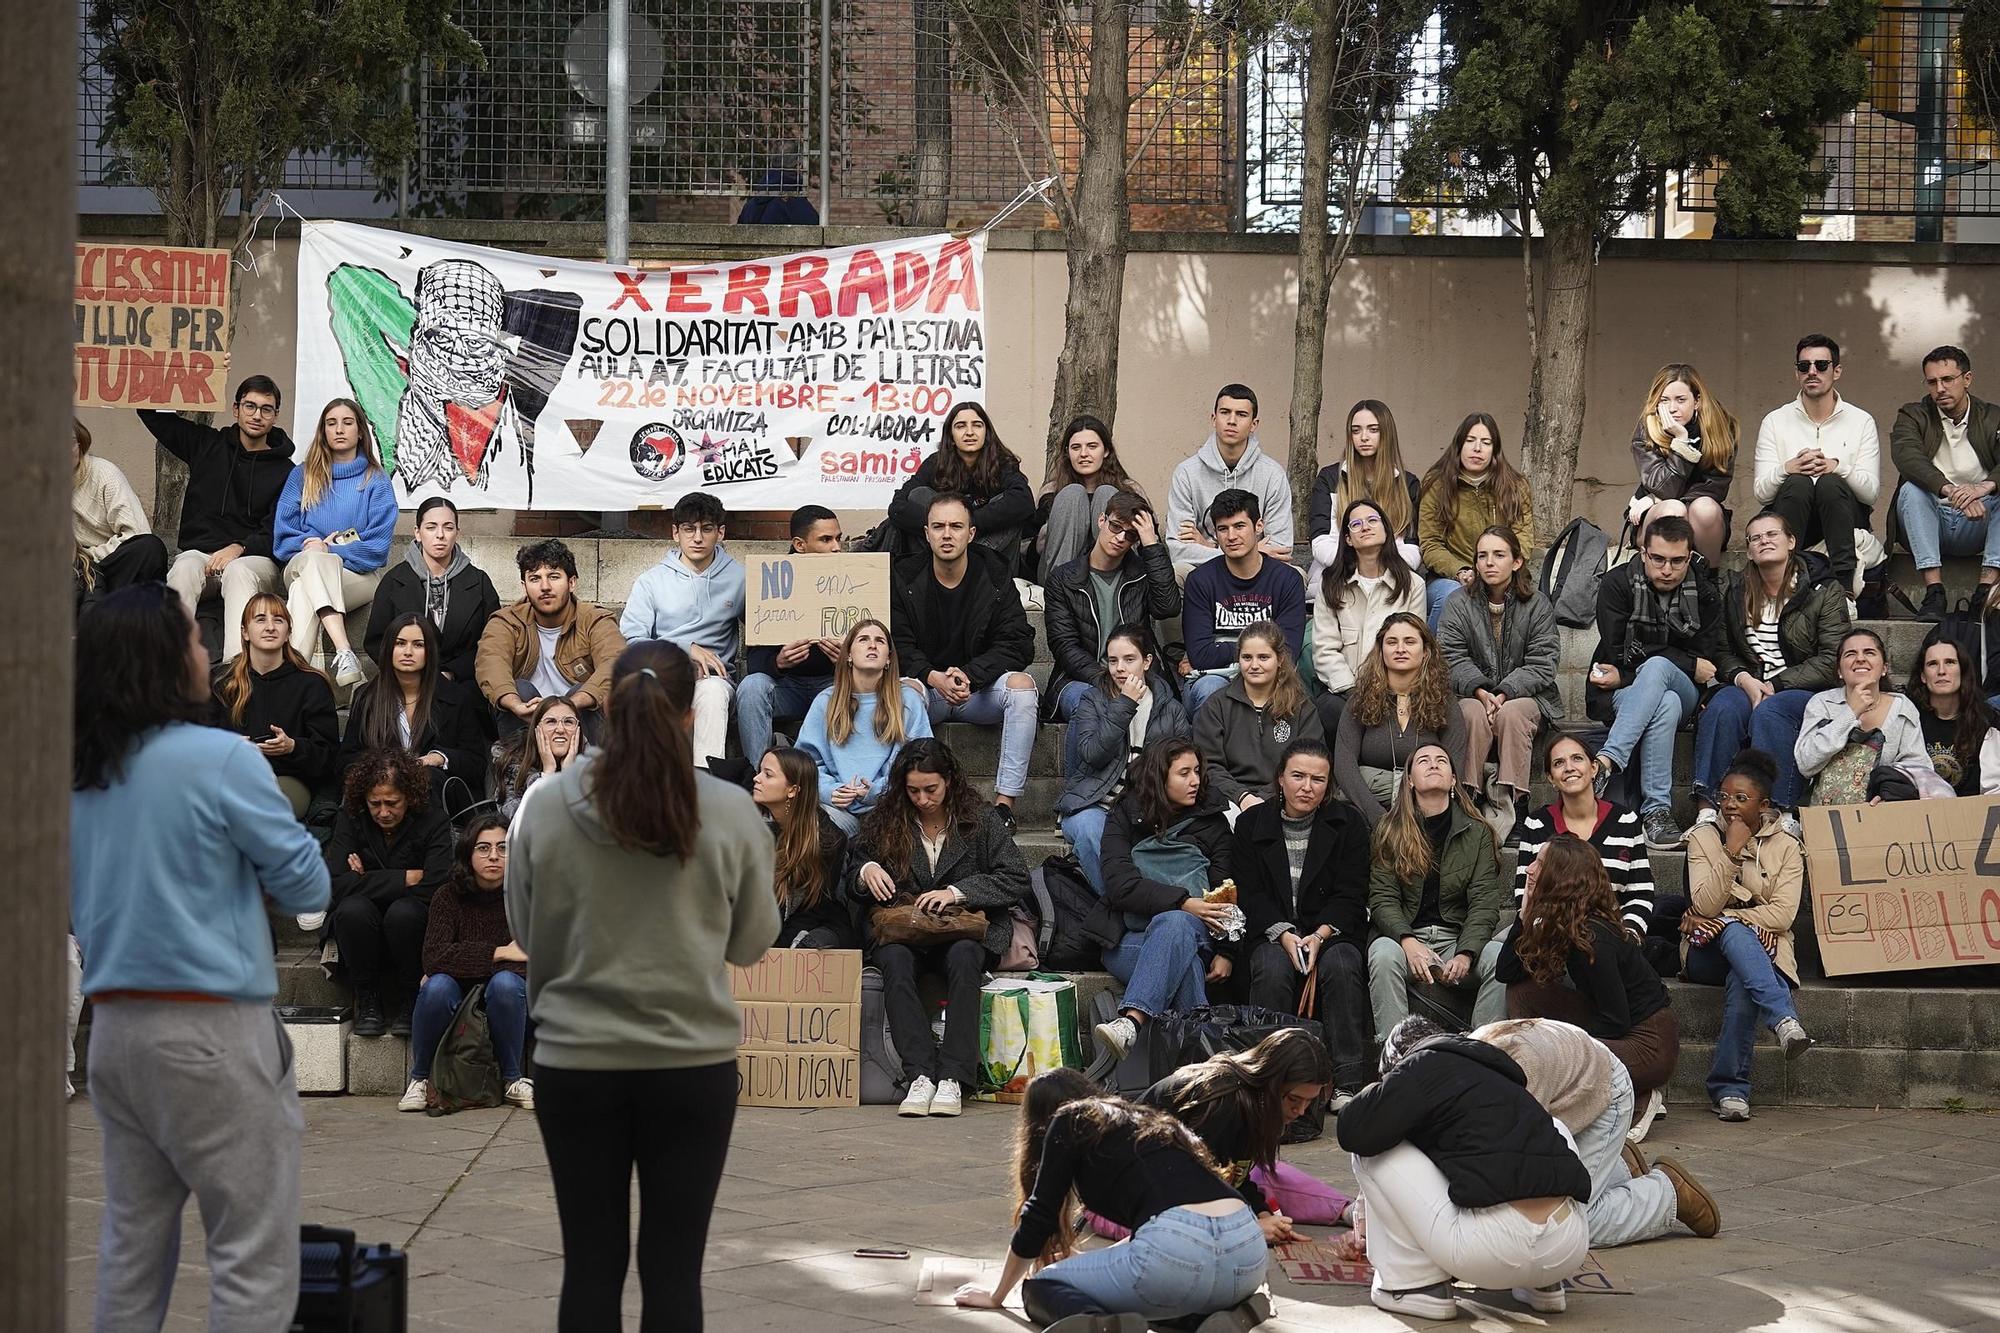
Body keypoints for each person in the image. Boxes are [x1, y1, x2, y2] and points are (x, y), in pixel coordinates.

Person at [72, 584, 329, 1330]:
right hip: (211, 1028)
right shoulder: (221, 758)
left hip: (116, 1032)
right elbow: (306, 881)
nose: (203, 652)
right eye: (192, 638)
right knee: (252, 1258)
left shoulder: (83, 771)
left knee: (129, 1252)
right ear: (162, 658)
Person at [505, 640, 777, 1330]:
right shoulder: (732, 810)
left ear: (606, 711)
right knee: (674, 1270)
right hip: (690, 1065)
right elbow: (751, 943)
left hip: (575, 1061)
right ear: (691, 714)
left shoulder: (545, 804)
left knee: (590, 1266)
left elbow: (527, 930)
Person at [953, 1067, 1272, 1329]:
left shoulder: (1069, 1119)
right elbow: (1169, 1224)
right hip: (1247, 1250)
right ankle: (1212, 1318)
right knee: (1175, 1281)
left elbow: (1038, 1216)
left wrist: (997, 1296)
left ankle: (1106, 1326)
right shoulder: (1148, 1120)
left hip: (1177, 1255)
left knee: (1041, 1286)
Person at [1336, 1017, 1590, 1320]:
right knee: (1555, 1128)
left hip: (1492, 1252)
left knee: (1371, 1147)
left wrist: (1381, 1089)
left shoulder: (1421, 1064)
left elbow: (1354, 1129)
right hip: (1568, 1249)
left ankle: (1414, 1285)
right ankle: (1543, 1285)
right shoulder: (1496, 1073)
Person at [854, 739, 1030, 1117]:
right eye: (913, 790)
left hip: (962, 928)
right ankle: (920, 1074)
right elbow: (854, 864)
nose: (922, 799)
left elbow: (1016, 878)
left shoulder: (981, 820)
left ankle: (953, 1076)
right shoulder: (887, 820)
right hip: (905, 930)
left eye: (931, 789)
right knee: (894, 961)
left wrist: (957, 892)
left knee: (966, 956)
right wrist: (866, 871)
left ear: (949, 781)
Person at [1471, 1017, 1719, 1249]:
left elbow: (1516, 1169)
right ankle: (1619, 1168)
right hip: (1574, 1086)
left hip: (1605, 1092)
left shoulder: (1516, 1077)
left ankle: (1667, 1194)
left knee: (1569, 1224)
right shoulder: (1460, 1065)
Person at [1495, 836, 1682, 1137]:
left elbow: (1616, 1020)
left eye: (1540, 863)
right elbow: (1507, 973)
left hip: (1648, 1044)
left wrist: (1562, 1043)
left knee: (1551, 1053)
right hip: (1616, 1028)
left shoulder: (1593, 937)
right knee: (1524, 992)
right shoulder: (1564, 921)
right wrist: (1525, 916)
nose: (1529, 870)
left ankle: (1642, 1095)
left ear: (1562, 876)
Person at [1234, 740, 1374, 1100]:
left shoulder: (1349, 824)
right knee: (1270, 967)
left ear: (1329, 785)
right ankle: (1271, 1078)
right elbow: (1249, 892)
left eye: (1317, 779)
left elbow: (1352, 893)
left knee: (1343, 965)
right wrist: (1283, 934)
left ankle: (1346, 1081)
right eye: (1297, 776)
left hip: (1332, 931)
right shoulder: (1251, 824)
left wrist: (1319, 936)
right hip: (1271, 930)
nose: (1306, 787)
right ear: (1280, 778)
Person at [890, 493, 1038, 829]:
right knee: (902, 695)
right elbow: (898, 643)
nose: (947, 534)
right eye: (938, 526)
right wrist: (933, 676)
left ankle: (1003, 807)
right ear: (926, 533)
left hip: (978, 690)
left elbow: (1017, 642)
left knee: (1023, 688)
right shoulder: (904, 576)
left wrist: (970, 674)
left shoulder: (996, 573)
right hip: (928, 690)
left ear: (971, 533)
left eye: (956, 526)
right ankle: (916, 800)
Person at [1682, 749, 1814, 1122]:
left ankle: (1731, 1093)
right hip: (1703, 951)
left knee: (1743, 979)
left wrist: (1728, 918)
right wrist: (1732, 851)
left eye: (1741, 798)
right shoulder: (1704, 840)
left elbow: (1784, 915)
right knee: (1736, 933)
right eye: (1724, 797)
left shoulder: (1788, 848)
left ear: (1765, 804)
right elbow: (1704, 905)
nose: (1729, 806)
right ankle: (1784, 1020)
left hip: (1766, 950)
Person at [1091, 739, 1238, 1062]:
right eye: (1184, 773)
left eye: (1197, 771)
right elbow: (1119, 884)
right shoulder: (1125, 814)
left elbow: (1227, 892)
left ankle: (1131, 1021)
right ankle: (1206, 1064)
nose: (1195, 780)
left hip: (1199, 932)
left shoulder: (1213, 821)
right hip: (1128, 939)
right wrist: (1182, 901)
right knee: (1183, 960)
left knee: (1176, 925)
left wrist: (1227, 951)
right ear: (1159, 776)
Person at [1695, 510, 1847, 816]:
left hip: (1806, 689)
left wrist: (1775, 685)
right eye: (1755, 537)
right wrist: (1743, 679)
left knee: (1771, 711)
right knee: (1722, 706)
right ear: (1749, 550)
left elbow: (1833, 658)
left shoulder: (1823, 589)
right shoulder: (1737, 590)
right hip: (1751, 683)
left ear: (1791, 541)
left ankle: (1777, 810)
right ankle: (1707, 808)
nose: (1764, 541)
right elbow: (1722, 651)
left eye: (1772, 534)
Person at [1587, 514, 1724, 850]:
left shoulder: (1704, 593)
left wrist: (1665, 662)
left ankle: (1605, 762)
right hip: (1622, 690)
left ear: (1690, 557)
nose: (1667, 569)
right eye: (1659, 559)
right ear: (1644, 552)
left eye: (1677, 561)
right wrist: (1685, 661)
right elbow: (1617, 650)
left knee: (1662, 670)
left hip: (1682, 689)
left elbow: (1707, 660)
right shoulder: (1617, 584)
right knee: (1665, 702)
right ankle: (1657, 814)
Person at [149, 373, 297, 661]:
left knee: (238, 572)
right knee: (183, 569)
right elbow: (153, 416)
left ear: (275, 416)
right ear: (236, 409)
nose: (257, 415)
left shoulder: (286, 471)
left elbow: (277, 531)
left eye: (266, 409)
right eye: (250, 406)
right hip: (201, 556)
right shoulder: (208, 445)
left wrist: (238, 548)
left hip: (253, 560)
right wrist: (198, 370)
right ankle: (169, 664)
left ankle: (236, 668)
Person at [1365, 744, 1506, 1041]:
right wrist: (1408, 941)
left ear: (1453, 780)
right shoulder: (1389, 830)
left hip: (1455, 941)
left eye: (1442, 760)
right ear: (1411, 780)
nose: (1434, 764)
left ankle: (1482, 1049)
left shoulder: (1477, 832)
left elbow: (1484, 902)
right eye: (1424, 761)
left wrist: (1467, 953)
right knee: (1381, 954)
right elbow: (1382, 898)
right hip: (1404, 940)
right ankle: (1396, 1056)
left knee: (1499, 956)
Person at [1142, 1028, 1337, 1241]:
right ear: (1272, 1082)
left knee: (1273, 1176)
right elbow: (1196, 1186)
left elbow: (1235, 1174)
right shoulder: (1224, 1102)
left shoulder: (1254, 1102)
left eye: (1309, 1102)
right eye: (1294, 1099)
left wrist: (1263, 1213)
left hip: (1179, 1181)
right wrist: (1250, 1228)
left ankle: (1348, 1210)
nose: (1300, 1111)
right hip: (1130, 1191)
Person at [399, 814, 533, 1113]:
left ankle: (512, 1079)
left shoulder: (526, 896)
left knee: (507, 984)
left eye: (503, 847)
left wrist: (462, 958)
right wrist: (499, 953)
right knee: (436, 987)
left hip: (509, 1000)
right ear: (468, 853)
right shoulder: (448, 896)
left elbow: (530, 961)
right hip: (456, 998)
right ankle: (420, 1080)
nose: (494, 857)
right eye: (483, 848)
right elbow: (434, 957)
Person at [1435, 526, 1561, 828]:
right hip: (1471, 695)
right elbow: (1449, 656)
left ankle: (1515, 803)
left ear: (1516, 562)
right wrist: (1480, 691)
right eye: (1482, 556)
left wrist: (1504, 692)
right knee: (1471, 713)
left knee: (1512, 715)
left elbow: (1543, 662)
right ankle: (1468, 797)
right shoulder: (1458, 603)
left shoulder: (1538, 604)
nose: (1489, 562)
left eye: (1498, 555)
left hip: (1528, 698)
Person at [326, 748, 454, 1039]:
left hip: (411, 924)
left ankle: (410, 998)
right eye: (375, 804)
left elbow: (437, 884)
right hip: (362, 925)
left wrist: (365, 878)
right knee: (351, 910)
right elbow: (335, 884)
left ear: (408, 796)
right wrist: (405, 877)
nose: (383, 812)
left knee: (404, 912)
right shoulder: (352, 817)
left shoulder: (433, 820)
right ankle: (368, 997)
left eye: (392, 803)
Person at [272, 397, 398, 687]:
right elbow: (283, 536)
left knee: (306, 591)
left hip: (357, 577)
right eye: (331, 423)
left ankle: (288, 682)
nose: (339, 429)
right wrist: (314, 545)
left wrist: (331, 549)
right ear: (323, 431)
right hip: (301, 566)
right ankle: (344, 650)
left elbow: (378, 548)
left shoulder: (376, 481)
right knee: (314, 562)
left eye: (347, 422)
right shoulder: (302, 475)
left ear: (360, 432)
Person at [1055, 625, 1192, 892]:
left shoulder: (1171, 708)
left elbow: (1182, 763)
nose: (1119, 668)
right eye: (1113, 660)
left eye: (1129, 659)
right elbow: (1093, 754)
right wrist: (1125, 705)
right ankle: (1118, 902)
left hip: (1146, 807)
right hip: (1095, 804)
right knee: (1091, 831)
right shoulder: (1092, 701)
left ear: (1147, 662)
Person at [620, 491, 745, 769]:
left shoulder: (741, 578)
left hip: (714, 680)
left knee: (711, 693)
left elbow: (766, 623)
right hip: (662, 674)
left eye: (707, 529)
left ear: (720, 532)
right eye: (689, 529)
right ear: (676, 533)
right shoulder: (651, 581)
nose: (697, 538)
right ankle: (648, 785)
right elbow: (634, 639)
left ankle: (706, 786)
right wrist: (685, 649)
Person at [1753, 333, 1881, 594]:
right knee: (1798, 483)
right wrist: (1786, 469)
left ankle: (1843, 587)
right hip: (1792, 516)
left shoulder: (1861, 420)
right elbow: (1761, 493)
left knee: (1829, 483)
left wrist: (1838, 467)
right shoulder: (1775, 420)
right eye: (1804, 366)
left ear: (1837, 371)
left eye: (1821, 365)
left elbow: (1870, 494)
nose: (1812, 372)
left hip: (1842, 518)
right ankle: (1787, 580)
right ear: (1796, 373)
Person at [1043, 490, 1181, 720]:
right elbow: (1065, 646)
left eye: (1130, 535)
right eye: (1115, 526)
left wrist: (1151, 544)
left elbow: (1167, 607)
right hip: (1081, 679)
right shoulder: (1063, 579)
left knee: (1161, 709)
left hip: (1138, 676)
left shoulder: (1141, 575)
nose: (1120, 538)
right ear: (1101, 520)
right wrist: (1106, 681)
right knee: (1087, 705)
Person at [1509, 732, 1656, 944]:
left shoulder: (1625, 820)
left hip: (1613, 940)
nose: (1569, 767)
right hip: (1552, 941)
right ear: (1551, 778)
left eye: (1577, 758)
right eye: (1559, 763)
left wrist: (1628, 936)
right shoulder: (1536, 824)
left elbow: (1640, 891)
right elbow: (1525, 894)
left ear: (1594, 768)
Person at [476, 538, 626, 738]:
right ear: (524, 586)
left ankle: (590, 767)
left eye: (554, 577)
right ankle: (516, 767)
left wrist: (570, 704)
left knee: (588, 692)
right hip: (527, 716)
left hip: (580, 719)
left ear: (571, 582)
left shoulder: (595, 620)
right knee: (518, 689)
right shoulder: (506, 621)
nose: (544, 586)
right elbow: (491, 664)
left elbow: (614, 664)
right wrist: (516, 704)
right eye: (535, 578)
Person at [1892, 345, 2000, 620]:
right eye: (1932, 382)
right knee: (1911, 489)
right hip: (1931, 518)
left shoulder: (1992, 417)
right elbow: (1907, 458)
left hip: (1978, 520)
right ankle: (1934, 593)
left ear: (1967, 378)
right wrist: (1950, 490)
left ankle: (1985, 593)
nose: (1939, 388)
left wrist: (1983, 488)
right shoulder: (1912, 415)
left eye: (1947, 379)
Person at [796, 618, 932, 836]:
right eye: (863, 639)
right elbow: (805, 763)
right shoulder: (826, 701)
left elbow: (921, 761)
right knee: (816, 831)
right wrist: (830, 791)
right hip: (837, 809)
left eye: (880, 641)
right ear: (848, 654)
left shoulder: (907, 700)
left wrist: (878, 790)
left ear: (889, 658)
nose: (872, 645)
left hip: (891, 808)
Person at [341, 612, 495, 803]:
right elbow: (346, 760)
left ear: (429, 651)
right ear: (389, 648)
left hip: (437, 800)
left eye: (418, 645)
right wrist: (383, 767)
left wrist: (439, 758)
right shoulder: (367, 697)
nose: (408, 652)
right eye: (400, 643)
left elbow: (476, 764)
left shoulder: (456, 697)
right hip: (381, 799)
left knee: (428, 776)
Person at [211, 592, 340, 818]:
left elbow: (328, 755)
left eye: (278, 620)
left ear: (288, 632)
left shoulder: (311, 683)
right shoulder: (222, 681)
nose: (270, 627)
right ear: (245, 632)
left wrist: (292, 747)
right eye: (260, 619)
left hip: (286, 779)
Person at [1333, 613, 1468, 828]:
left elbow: (1454, 766)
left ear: (1425, 652)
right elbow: (1344, 764)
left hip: (1427, 806)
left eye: (1410, 642)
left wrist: (1421, 810)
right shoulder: (1360, 699)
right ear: (1381, 650)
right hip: (1367, 808)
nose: (1400, 649)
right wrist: (1376, 815)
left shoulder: (1444, 701)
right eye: (1392, 642)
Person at [1181, 490, 1307, 716]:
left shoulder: (1286, 580)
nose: (1231, 536)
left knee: (1289, 693)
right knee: (1211, 690)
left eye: (1239, 526)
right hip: (1214, 678)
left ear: (1258, 526)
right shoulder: (1201, 581)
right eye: (1223, 528)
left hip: (1271, 677)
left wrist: (1227, 651)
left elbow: (1288, 652)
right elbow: (1200, 654)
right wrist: (1263, 653)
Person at [1310, 498, 1427, 739]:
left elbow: (1414, 647)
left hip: (1396, 689)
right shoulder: (1331, 585)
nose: (1365, 526)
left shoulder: (1412, 585)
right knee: (1332, 711)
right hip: (1345, 692)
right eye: (1356, 524)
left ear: (1386, 530)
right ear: (1347, 539)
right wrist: (1355, 692)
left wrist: (1385, 691)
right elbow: (1324, 649)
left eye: (1373, 520)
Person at [737, 505, 844, 762]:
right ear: (799, 544)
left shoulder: (854, 578)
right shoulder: (769, 583)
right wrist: (779, 662)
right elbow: (755, 660)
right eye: (826, 539)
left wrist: (848, 661)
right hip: (787, 688)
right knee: (752, 687)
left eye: (839, 538)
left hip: (835, 687)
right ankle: (761, 776)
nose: (837, 547)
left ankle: (844, 781)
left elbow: (879, 651)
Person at [363, 496, 502, 683]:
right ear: (418, 533)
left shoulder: (479, 582)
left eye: (448, 527)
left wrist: (453, 673)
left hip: (463, 685)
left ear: (457, 533)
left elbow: (492, 642)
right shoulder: (394, 581)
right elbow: (376, 641)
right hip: (407, 684)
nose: (440, 535)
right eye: (431, 527)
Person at [1193, 621, 1325, 813]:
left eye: (1263, 657)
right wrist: (1242, 797)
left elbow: (1311, 763)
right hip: (1230, 801)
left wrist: (1267, 798)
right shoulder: (1217, 706)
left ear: (1279, 659)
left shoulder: (1301, 707)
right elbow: (1209, 765)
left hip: (1287, 797)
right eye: (1247, 657)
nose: (1254, 665)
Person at [1417, 413, 1534, 626]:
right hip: (1450, 577)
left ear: (1494, 450)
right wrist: (1460, 571)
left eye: (1486, 442)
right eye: (1470, 441)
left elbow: (1523, 538)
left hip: (1504, 575)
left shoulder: (1516, 486)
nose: (1477, 448)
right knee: (1451, 596)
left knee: (1527, 601)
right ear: (1459, 445)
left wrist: (1498, 570)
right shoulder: (1437, 484)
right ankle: (1434, 659)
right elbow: (1430, 543)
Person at [1166, 383, 1295, 574]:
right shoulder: (1186, 473)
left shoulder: (1273, 474)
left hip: (1258, 572)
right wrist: (1239, 552)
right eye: (1225, 412)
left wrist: (1208, 546)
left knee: (1295, 576)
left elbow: (1281, 547)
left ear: (1254, 424)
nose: (1232, 420)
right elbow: (1178, 550)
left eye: (1241, 414)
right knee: (1178, 572)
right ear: (1214, 418)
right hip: (1206, 572)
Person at [1796, 626, 1934, 804]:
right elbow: (1806, 764)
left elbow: (1919, 768)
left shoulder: (1902, 707)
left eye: (1869, 652)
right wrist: (1851, 712)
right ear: (1839, 670)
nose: (1860, 659)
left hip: (1884, 812)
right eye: (1850, 654)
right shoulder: (1822, 703)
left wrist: (1892, 794)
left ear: (1884, 668)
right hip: (1827, 814)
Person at [885, 400, 1035, 562]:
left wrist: (965, 522)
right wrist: (946, 525)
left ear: (987, 433)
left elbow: (1024, 502)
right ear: (951, 436)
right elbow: (897, 506)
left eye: (977, 425)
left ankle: (969, 564)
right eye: (961, 426)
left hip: (986, 554)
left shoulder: (1002, 463)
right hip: (943, 550)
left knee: (1011, 506)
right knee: (919, 495)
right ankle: (942, 566)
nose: (969, 432)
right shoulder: (936, 463)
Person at [1627, 363, 1739, 565]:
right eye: (1664, 400)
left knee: (1704, 508)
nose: (1672, 408)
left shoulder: (1721, 427)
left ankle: (1709, 581)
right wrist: (1681, 442)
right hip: (1656, 517)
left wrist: (1653, 500)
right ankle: (1659, 582)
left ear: (1696, 401)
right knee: (1673, 510)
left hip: (1705, 525)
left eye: (1680, 400)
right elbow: (1664, 489)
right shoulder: (1648, 429)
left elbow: (1716, 488)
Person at [753, 746, 860, 949]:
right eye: (760, 771)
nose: (756, 779)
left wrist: (773, 949)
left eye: (767, 775)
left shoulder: (827, 841)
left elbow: (814, 909)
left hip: (814, 924)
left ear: (793, 790)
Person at [1306, 400, 1422, 584]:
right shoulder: (1330, 478)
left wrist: (1379, 570)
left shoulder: (1407, 484)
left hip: (1391, 578)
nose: (1364, 437)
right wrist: (1360, 567)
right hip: (1337, 576)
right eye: (1356, 430)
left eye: (1373, 429)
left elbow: (1411, 547)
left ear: (1387, 434)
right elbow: (1321, 542)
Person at [1030, 413, 1144, 579]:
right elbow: (1031, 551)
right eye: (1076, 447)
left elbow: (1149, 544)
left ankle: (1113, 589)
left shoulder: (1129, 489)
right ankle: (1062, 592)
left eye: (1092, 446)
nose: (1083, 454)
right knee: (1072, 494)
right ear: (1067, 453)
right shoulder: (1051, 492)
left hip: (1118, 574)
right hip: (1059, 577)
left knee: (1108, 494)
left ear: (1106, 451)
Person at [72, 417, 167, 602]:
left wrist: (89, 557)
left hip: (106, 563)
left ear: (81, 444)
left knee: (149, 548)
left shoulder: (104, 474)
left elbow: (136, 533)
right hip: (67, 571)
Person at [1909, 635, 2000, 796]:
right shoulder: (1910, 718)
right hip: (1921, 813)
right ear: (1923, 676)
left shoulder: (1988, 721)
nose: (1941, 671)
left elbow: (1993, 789)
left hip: (1972, 814)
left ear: (1962, 671)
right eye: (1932, 664)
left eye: (1950, 662)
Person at [491, 694, 587, 821]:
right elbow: (525, 822)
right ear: (536, 729)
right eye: (551, 722)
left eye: (568, 722)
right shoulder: (512, 764)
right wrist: (547, 774)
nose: (560, 729)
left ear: (578, 729)